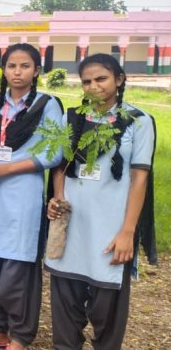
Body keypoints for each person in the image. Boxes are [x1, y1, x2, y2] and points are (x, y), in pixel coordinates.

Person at [45, 54, 155, 350]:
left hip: (111, 227)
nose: (93, 86)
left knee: (108, 311)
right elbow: (60, 166)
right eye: (86, 81)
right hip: (72, 226)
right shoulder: (73, 118)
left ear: (119, 79)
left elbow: (139, 179)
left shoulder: (138, 121)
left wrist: (127, 232)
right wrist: (58, 199)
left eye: (101, 79)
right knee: (65, 303)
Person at [0, 43, 63, 350]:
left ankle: (20, 335)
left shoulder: (47, 105)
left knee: (16, 269)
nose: (18, 72)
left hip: (21, 194)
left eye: (25, 66)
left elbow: (54, 152)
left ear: (36, 70)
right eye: (12, 66)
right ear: (3, 69)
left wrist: (5, 170)